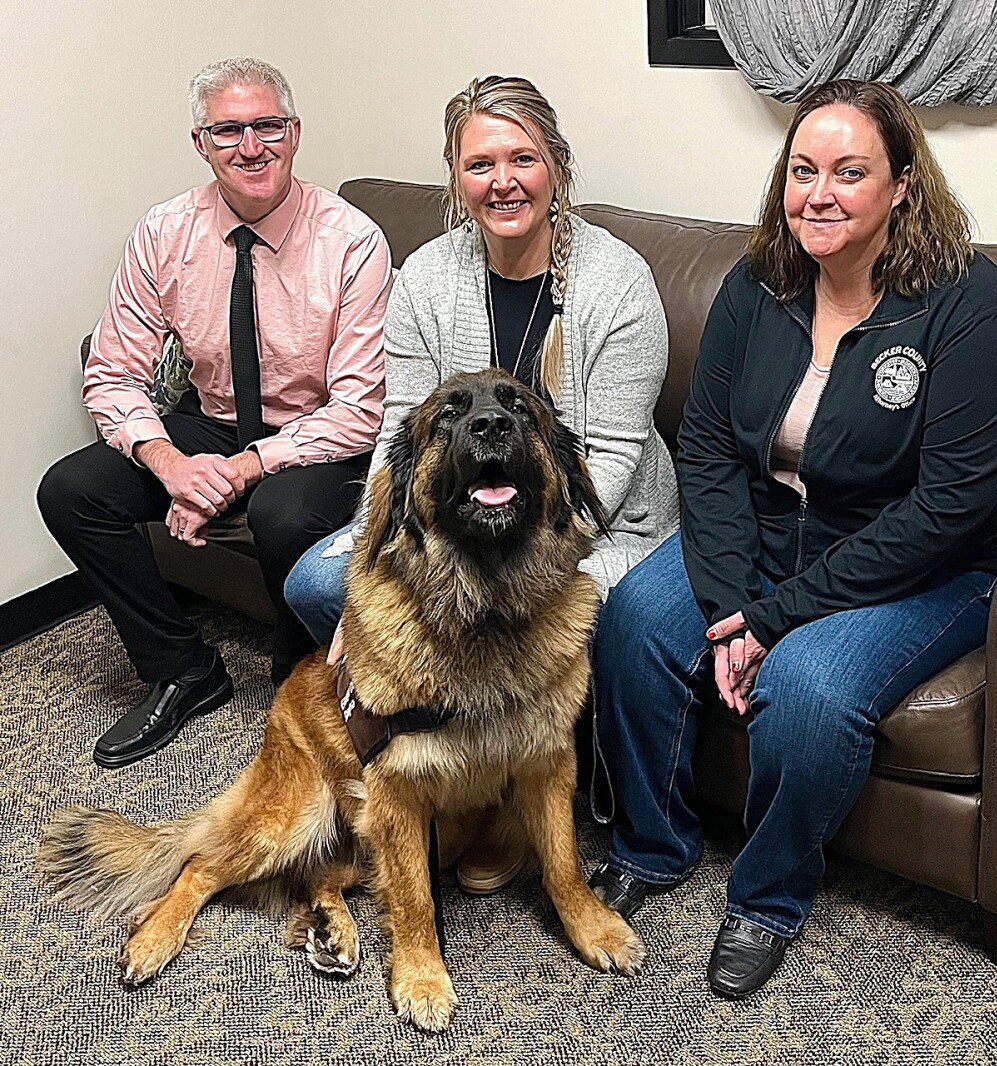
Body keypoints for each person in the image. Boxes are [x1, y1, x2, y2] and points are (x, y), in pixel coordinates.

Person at [589, 79, 997, 998]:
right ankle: (653, 843)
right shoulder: (761, 280)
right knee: (634, 619)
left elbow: (949, 508)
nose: (818, 194)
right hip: (765, 526)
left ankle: (767, 900)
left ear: (903, 185)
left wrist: (776, 618)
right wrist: (728, 607)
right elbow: (708, 445)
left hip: (922, 562)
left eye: (849, 172)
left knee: (810, 683)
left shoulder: (974, 306)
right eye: (802, 171)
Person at [282, 74, 679, 893]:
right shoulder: (426, 277)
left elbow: (605, 461)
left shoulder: (618, 283)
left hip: (589, 526)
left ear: (557, 169)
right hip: (459, 523)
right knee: (320, 581)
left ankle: (507, 806)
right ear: (455, 178)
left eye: (523, 158)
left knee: (546, 616)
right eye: (480, 163)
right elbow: (401, 438)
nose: (503, 181)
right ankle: (460, 787)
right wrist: (369, 568)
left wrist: (527, 575)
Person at [37, 57, 392, 769]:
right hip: (215, 418)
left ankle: (302, 674)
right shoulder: (165, 231)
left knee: (282, 513)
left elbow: (361, 408)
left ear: (295, 133)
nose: (250, 146)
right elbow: (111, 372)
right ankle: (183, 669)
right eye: (228, 130)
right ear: (201, 143)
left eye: (267, 126)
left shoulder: (352, 241)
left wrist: (240, 471)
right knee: (72, 491)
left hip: (316, 431)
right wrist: (169, 463)